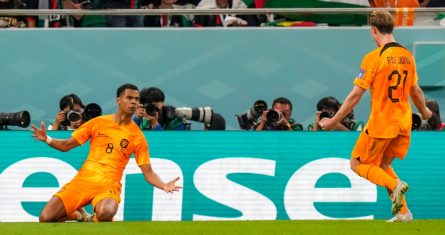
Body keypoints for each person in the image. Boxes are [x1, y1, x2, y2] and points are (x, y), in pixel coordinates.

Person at [319, 10, 432, 222]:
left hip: (382, 122)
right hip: (404, 121)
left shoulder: (374, 57)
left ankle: (395, 185)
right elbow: (415, 91)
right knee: (384, 166)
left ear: (373, 30)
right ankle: (404, 213)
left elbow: (355, 95)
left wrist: (333, 121)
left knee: (357, 163)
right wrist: (425, 111)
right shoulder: (407, 56)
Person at [32, 83, 182, 222]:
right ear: (118, 100)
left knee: (106, 212)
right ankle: (79, 215)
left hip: (108, 186)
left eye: (136, 99)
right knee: (45, 218)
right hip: (83, 181)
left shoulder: (138, 137)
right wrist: (47, 139)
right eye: (129, 98)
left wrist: (164, 185)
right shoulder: (98, 122)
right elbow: (66, 145)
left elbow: (148, 173)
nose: (134, 102)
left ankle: (93, 219)